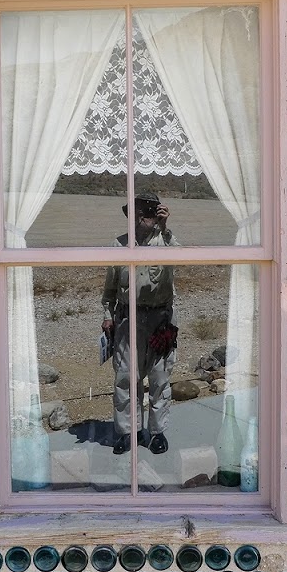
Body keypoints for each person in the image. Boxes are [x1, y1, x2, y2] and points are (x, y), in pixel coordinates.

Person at [104, 192, 179, 455]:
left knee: (159, 378)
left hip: (160, 319)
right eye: (138, 212)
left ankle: (157, 432)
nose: (142, 217)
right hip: (128, 319)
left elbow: (179, 260)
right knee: (126, 378)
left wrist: (165, 228)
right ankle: (129, 432)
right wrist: (107, 316)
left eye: (148, 211)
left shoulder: (166, 242)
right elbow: (110, 288)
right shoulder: (119, 245)